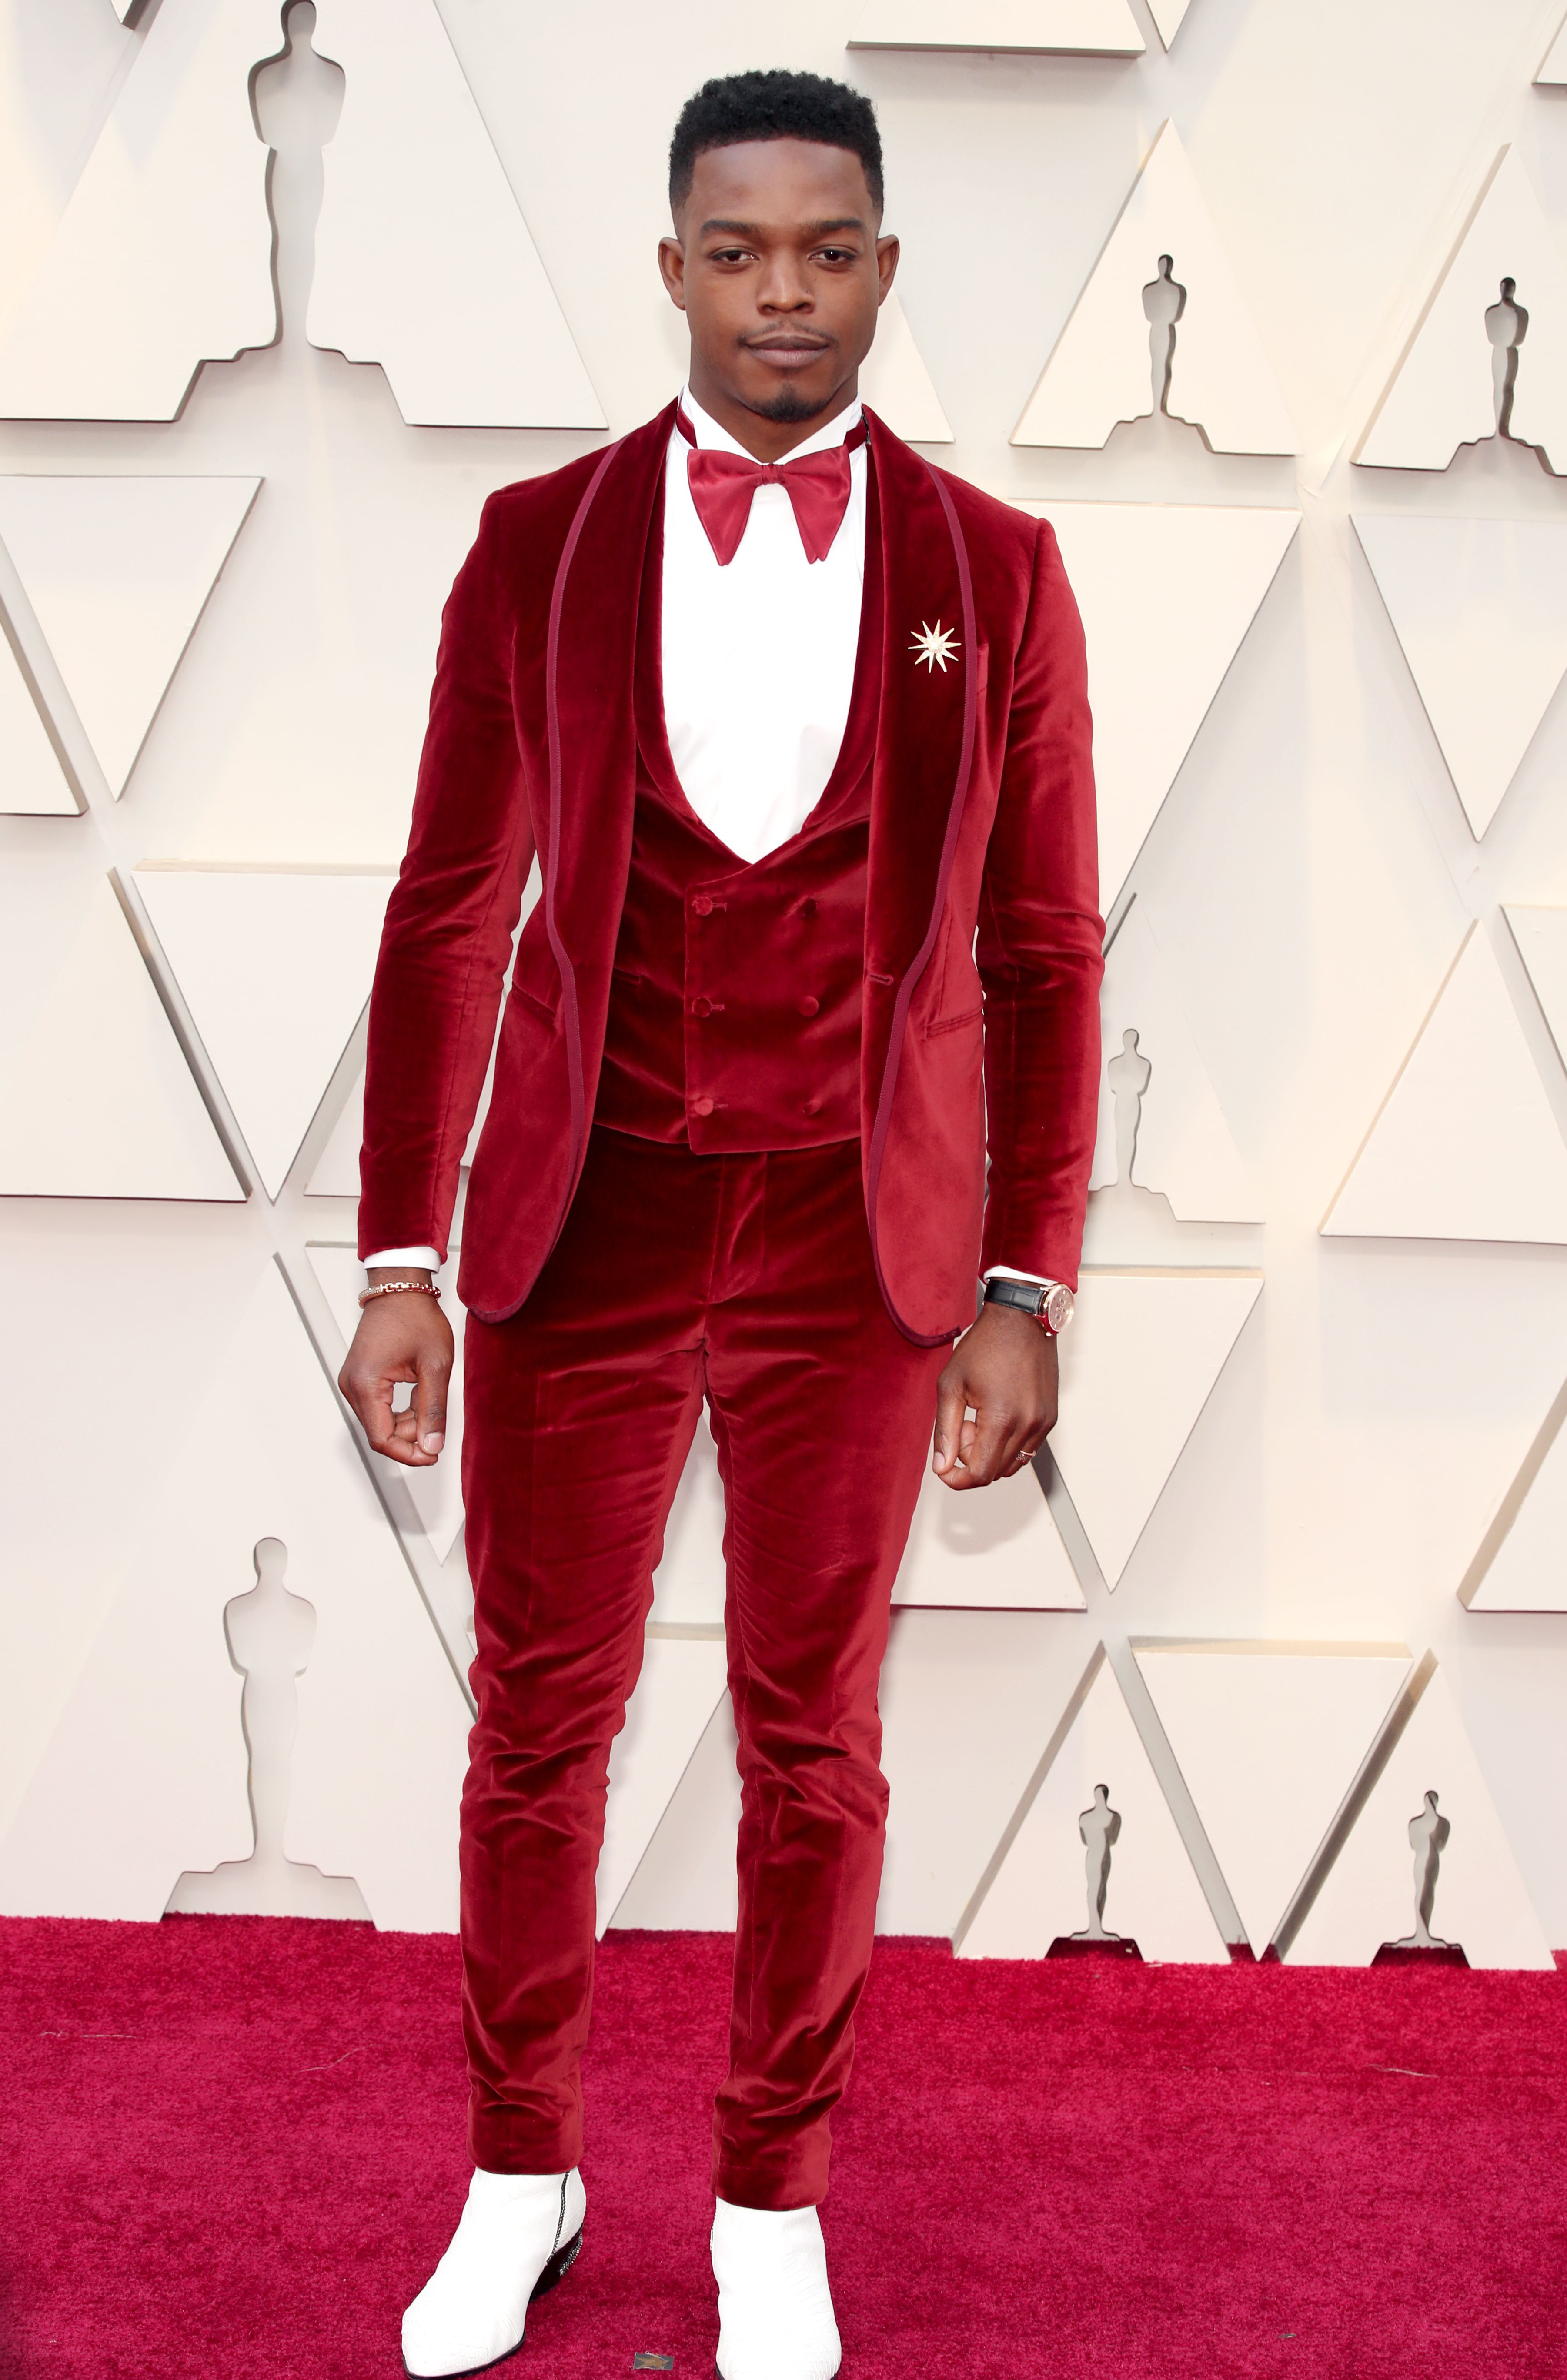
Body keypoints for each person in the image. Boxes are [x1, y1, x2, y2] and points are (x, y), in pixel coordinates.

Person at [338, 68, 1102, 2380]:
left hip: (859, 1244)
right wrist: (398, 1253)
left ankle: (774, 2203)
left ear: (886, 269)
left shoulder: (996, 571)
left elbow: (1045, 950)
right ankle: (522, 2174)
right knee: (534, 1730)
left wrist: (1026, 1280)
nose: (787, 290)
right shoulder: (536, 545)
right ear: (671, 268)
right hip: (584, 1217)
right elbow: (449, 909)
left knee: (813, 1741)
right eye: (742, 250)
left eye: (830, 249)